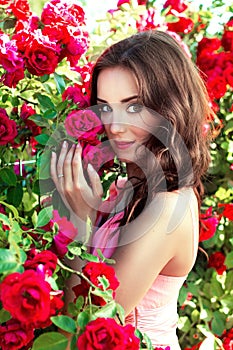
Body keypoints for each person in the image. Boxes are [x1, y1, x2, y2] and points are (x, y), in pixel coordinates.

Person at [50, 30, 214, 349]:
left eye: (134, 107)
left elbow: (83, 325)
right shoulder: (132, 186)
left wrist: (80, 225)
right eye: (105, 107)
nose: (115, 125)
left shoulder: (167, 205)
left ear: (171, 106)